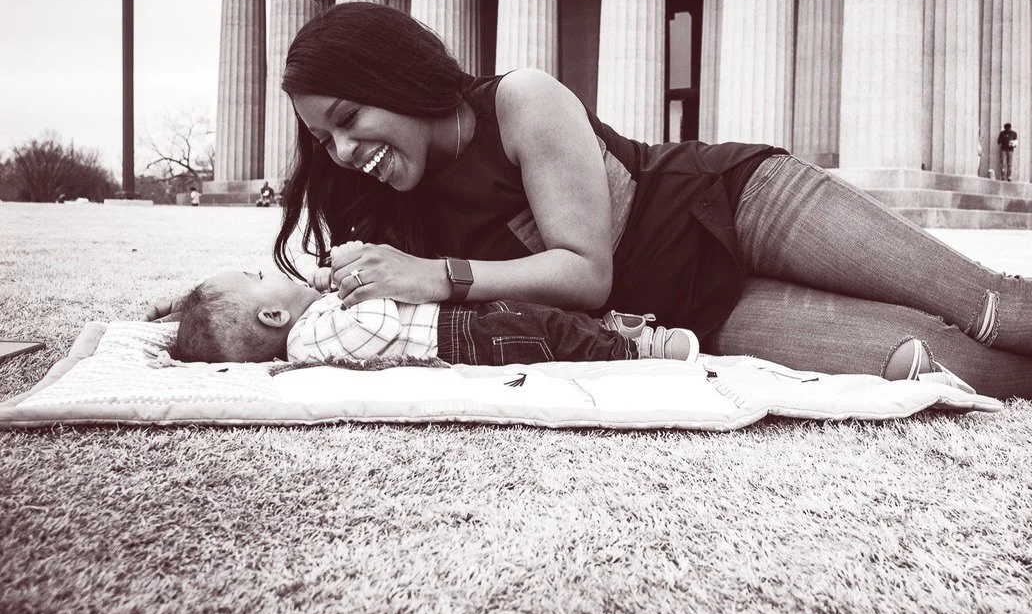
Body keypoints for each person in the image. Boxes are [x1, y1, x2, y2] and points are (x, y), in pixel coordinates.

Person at [147, 2, 1032, 447]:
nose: (338, 148)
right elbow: (329, 302)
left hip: (735, 204)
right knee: (961, 371)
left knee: (989, 305)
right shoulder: (384, 200)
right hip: (701, 308)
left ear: (401, 77)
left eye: (347, 115)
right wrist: (210, 319)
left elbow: (581, 276)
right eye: (319, 134)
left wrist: (430, 274)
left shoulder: (519, 99)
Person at [170, 257, 700, 367]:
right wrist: (356, 286)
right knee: (546, 335)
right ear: (271, 319)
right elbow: (377, 328)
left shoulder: (312, 321)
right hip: (461, 338)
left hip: (461, 322)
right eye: (260, 281)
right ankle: (633, 351)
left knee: (542, 314)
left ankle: (606, 328)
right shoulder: (311, 336)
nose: (272, 273)